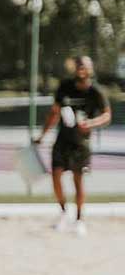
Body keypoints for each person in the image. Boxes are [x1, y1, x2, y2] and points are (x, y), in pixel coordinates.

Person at [34, 56, 112, 237]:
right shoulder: (65, 87)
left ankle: (79, 220)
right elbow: (54, 114)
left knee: (78, 180)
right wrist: (42, 136)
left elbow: (107, 115)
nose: (81, 69)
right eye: (78, 66)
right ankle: (63, 213)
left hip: (81, 143)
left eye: (84, 66)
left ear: (90, 69)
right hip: (62, 140)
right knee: (56, 176)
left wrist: (90, 124)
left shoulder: (96, 92)